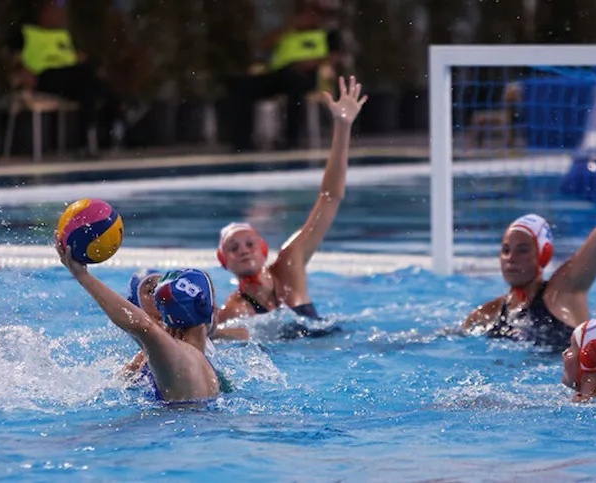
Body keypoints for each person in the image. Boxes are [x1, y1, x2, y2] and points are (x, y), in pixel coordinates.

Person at [461, 116, 596, 352]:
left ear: (543, 254)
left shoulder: (565, 290)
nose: (511, 258)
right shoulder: (487, 314)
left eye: (522, 249)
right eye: (506, 250)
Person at [216, 75, 366, 337]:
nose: (243, 250)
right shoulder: (233, 311)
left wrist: (343, 127)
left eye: (249, 244)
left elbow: (330, 197)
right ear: (223, 261)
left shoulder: (290, 264)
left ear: (264, 250)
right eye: (233, 248)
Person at [58, 247, 220, 402]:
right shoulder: (206, 368)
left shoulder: (181, 358)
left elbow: (143, 327)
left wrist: (83, 276)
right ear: (208, 308)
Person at [8, 0, 121, 156]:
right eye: (55, 8)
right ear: (44, 11)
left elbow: (76, 57)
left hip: (70, 78)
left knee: (90, 87)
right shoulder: (26, 32)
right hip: (44, 77)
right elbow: (14, 61)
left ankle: (92, 138)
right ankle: (103, 133)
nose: (59, 14)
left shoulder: (63, 35)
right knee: (90, 83)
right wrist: (23, 77)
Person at [228, 0, 341, 152]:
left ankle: (291, 139)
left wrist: (310, 63)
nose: (307, 17)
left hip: (307, 76)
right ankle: (242, 142)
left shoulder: (327, 34)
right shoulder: (287, 31)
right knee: (244, 85)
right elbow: (262, 45)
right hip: (280, 75)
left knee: (295, 86)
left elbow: (333, 59)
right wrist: (288, 27)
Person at [120, 269, 248, 378]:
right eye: (151, 291)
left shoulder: (192, 332)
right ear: (137, 307)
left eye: (163, 287)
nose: (159, 297)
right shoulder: (147, 353)